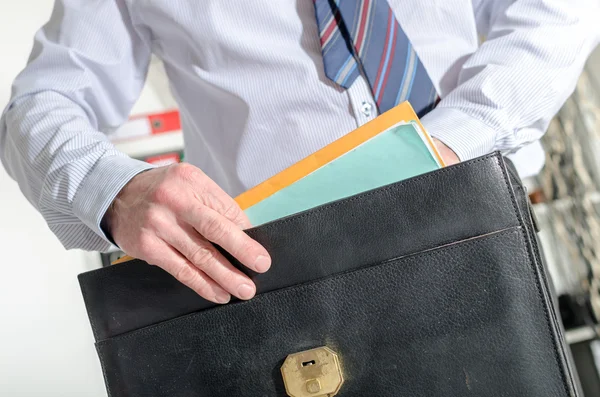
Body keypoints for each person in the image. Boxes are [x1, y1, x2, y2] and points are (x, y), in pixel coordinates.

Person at [1, 0, 597, 305]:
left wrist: (451, 141)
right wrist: (117, 190)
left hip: (480, 229)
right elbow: (40, 102)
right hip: (279, 283)